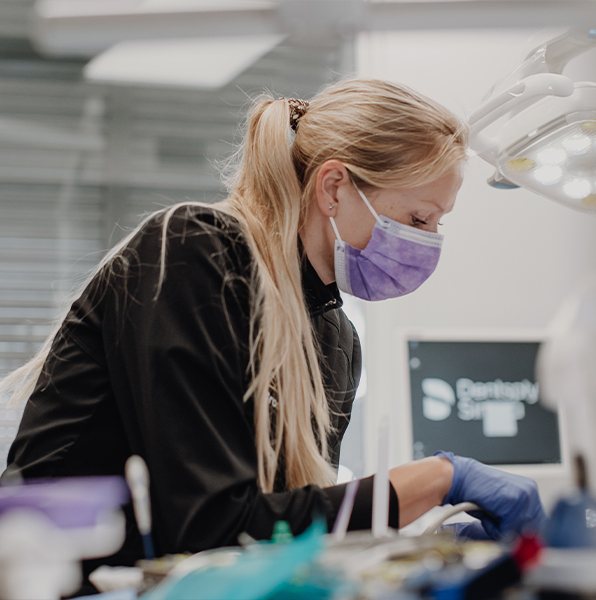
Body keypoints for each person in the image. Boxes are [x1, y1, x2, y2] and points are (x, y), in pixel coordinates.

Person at [0, 79, 544, 569]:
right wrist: (437, 479)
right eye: (418, 219)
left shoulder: (335, 339)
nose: (426, 242)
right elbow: (212, 526)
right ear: (333, 187)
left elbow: (280, 533)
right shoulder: (195, 254)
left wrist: (418, 539)